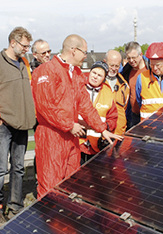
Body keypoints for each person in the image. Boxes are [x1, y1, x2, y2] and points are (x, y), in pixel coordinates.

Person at [31, 34, 123, 198]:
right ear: (74, 50)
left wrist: (102, 129)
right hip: (52, 136)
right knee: (49, 186)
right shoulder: (46, 71)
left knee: (71, 183)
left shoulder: (77, 74)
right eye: (85, 52)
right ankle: (49, 221)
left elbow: (85, 105)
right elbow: (45, 106)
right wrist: (69, 125)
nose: (86, 56)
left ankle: (67, 220)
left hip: (72, 136)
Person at [0, 26, 36, 228]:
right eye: (25, 45)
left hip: (22, 123)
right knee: (0, 168)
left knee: (18, 167)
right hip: (2, 125)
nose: (27, 49)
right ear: (13, 42)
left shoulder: (25, 63)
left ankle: (16, 206)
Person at [80, 61, 118, 164]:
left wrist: (105, 128)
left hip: (97, 144)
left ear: (104, 78)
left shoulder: (108, 92)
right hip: (78, 143)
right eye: (94, 73)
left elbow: (113, 117)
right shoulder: (78, 87)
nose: (95, 77)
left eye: (100, 75)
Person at [120, 42, 146, 128]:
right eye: (128, 58)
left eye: (134, 57)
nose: (131, 61)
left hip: (147, 115)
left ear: (141, 55)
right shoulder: (126, 71)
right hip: (133, 116)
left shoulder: (150, 69)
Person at [104, 50, 130, 135]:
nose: (114, 69)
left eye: (117, 66)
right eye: (111, 65)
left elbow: (125, 107)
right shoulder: (97, 82)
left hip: (118, 133)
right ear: (105, 62)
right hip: (101, 133)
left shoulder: (124, 85)